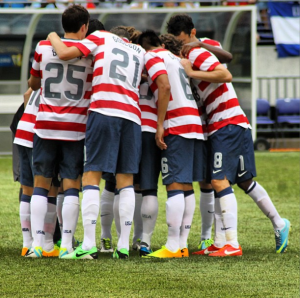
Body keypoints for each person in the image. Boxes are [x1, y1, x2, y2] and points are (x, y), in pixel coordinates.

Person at [167, 14, 291, 256]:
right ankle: (277, 223)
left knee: (219, 181)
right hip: (225, 123)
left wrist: (192, 72)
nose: (181, 47)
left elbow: (226, 75)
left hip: (227, 122)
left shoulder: (196, 53)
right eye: (177, 42)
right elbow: (223, 58)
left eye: (183, 41)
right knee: (243, 181)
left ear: (191, 34)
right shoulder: (196, 50)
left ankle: (231, 244)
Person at [48, 23, 146, 260]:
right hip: (132, 116)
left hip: (104, 110)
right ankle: (123, 245)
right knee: (126, 180)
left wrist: (52, 34)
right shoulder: (139, 51)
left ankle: (90, 244)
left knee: (92, 175)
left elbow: (64, 53)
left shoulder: (101, 36)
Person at [26, 5, 94, 258]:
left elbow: (33, 82)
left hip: (45, 124)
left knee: (40, 185)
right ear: (85, 26)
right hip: (76, 127)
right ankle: (66, 245)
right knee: (71, 186)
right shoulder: (90, 52)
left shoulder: (43, 47)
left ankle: (37, 244)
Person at [137, 30, 206, 258]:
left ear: (144, 47)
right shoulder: (175, 58)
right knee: (185, 186)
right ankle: (182, 245)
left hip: (176, 123)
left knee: (174, 185)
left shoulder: (152, 57)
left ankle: (173, 246)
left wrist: (159, 124)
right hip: (193, 123)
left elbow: (164, 87)